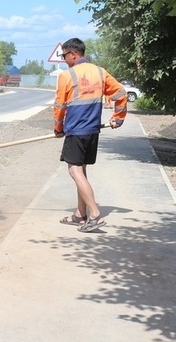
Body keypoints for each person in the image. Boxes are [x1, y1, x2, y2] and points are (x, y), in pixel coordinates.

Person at [54, 38, 127, 233]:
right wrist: (118, 118)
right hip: (92, 131)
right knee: (82, 171)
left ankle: (94, 214)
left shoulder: (67, 75)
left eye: (64, 56)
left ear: (73, 54)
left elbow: (59, 106)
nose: (64, 60)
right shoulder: (100, 72)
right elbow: (121, 93)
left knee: (74, 171)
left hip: (76, 131)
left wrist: (58, 128)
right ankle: (80, 214)